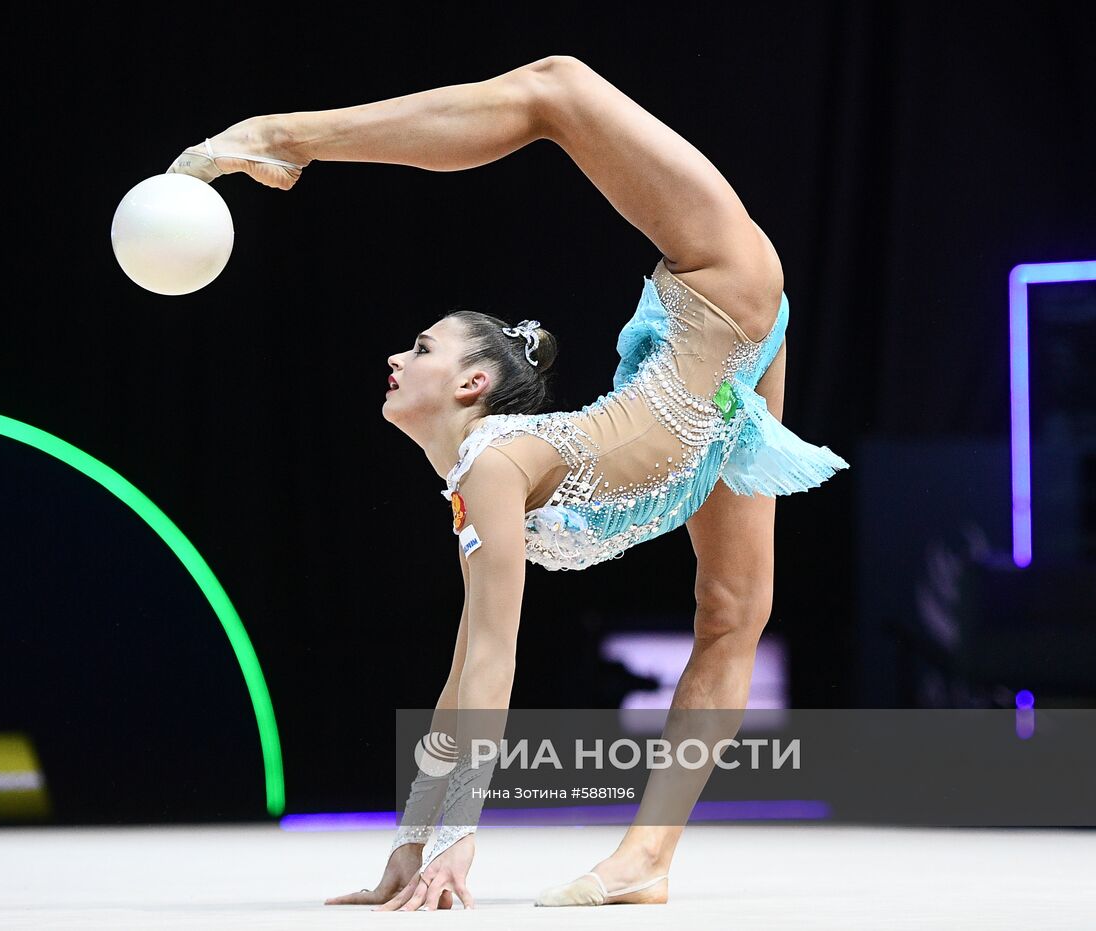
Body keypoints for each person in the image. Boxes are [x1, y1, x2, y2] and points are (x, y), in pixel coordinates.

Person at [167, 55, 848, 911]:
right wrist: (412, 846)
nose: (395, 357)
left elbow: (493, 663)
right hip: (725, 375)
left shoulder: (493, 461)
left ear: (472, 385)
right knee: (734, 613)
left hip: (725, 281)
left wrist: (453, 843)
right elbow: (464, 671)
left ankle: (282, 136)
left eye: (420, 348)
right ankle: (648, 858)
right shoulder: (483, 470)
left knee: (557, 86)